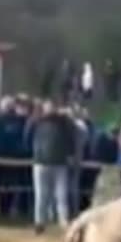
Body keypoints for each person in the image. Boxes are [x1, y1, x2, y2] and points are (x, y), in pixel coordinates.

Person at [24, 99, 79, 233]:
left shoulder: (63, 122)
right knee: (41, 195)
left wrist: (71, 154)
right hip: (41, 162)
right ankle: (39, 222)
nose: (51, 109)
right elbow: (27, 136)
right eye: (48, 107)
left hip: (60, 163)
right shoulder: (36, 120)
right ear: (44, 108)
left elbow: (72, 137)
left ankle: (63, 222)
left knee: (61, 195)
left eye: (53, 107)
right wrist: (33, 151)